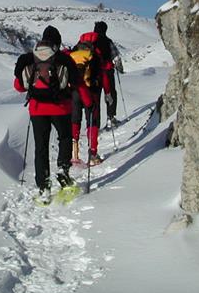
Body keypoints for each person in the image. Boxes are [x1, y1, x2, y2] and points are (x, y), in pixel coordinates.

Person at [13, 25, 79, 202]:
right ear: (57, 42)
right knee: (65, 138)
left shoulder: (30, 58)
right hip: (61, 108)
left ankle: (43, 187)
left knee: (41, 147)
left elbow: (19, 86)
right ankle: (63, 172)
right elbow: (76, 81)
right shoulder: (63, 58)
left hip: (37, 109)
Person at [72, 31, 111, 165]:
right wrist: (107, 92)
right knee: (92, 121)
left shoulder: (75, 53)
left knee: (75, 119)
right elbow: (104, 76)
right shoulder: (96, 55)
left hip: (76, 91)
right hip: (92, 91)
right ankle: (93, 154)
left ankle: (74, 153)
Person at [94, 21, 124, 128]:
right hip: (107, 72)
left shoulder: (89, 41)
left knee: (95, 98)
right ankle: (110, 118)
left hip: (93, 73)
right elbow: (116, 57)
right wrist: (120, 69)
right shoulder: (108, 41)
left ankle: (95, 125)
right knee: (111, 94)